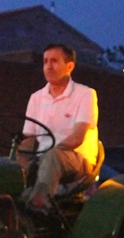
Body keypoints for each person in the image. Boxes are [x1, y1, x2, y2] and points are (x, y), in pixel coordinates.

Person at [21, 43, 99, 214]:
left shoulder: (85, 94)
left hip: (77, 159)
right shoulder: (36, 98)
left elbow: (77, 138)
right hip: (43, 159)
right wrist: (18, 163)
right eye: (45, 61)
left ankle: (38, 205)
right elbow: (28, 140)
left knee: (52, 155)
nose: (48, 66)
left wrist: (45, 157)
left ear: (69, 66)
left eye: (54, 61)